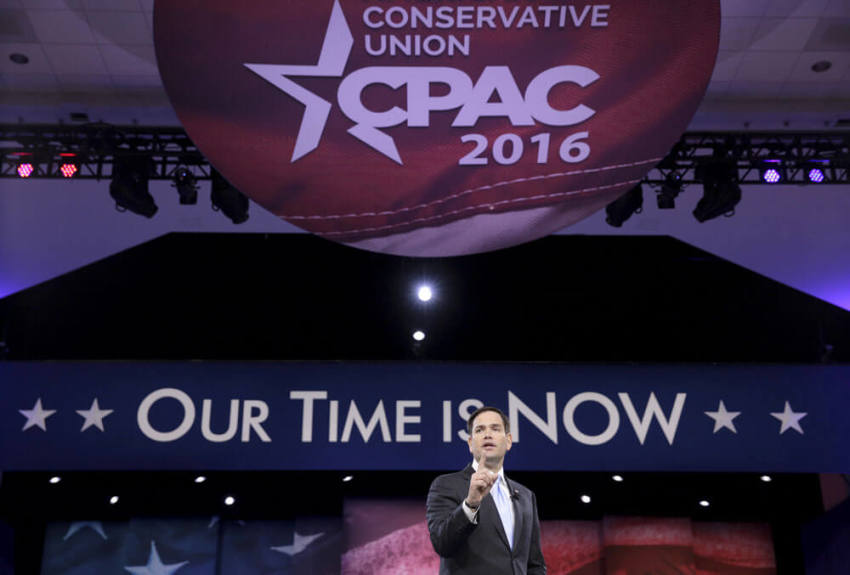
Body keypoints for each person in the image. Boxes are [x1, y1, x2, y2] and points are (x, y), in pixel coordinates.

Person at [426, 406, 547, 575]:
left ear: (508, 441)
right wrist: (471, 504)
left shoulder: (526, 496)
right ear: (470, 443)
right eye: (479, 430)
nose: (487, 434)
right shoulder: (446, 485)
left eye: (495, 429)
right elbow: (442, 544)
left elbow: (535, 564)